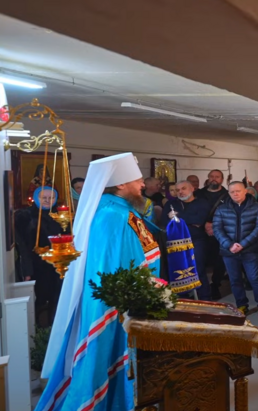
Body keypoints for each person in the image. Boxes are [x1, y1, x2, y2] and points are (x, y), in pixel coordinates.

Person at [37, 153, 162, 411]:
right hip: (116, 304)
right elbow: (110, 264)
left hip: (133, 296)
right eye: (137, 180)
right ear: (120, 185)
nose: (143, 185)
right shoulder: (110, 215)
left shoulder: (121, 210)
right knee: (107, 360)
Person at [213, 181, 258, 319]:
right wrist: (229, 244)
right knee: (235, 279)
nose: (235, 194)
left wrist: (243, 244)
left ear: (245, 191)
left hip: (250, 250)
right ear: (229, 193)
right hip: (229, 251)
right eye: (232, 192)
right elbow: (217, 228)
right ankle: (242, 305)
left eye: (238, 191)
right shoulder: (222, 209)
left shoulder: (256, 207)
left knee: (254, 278)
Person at [15, 187, 63, 325]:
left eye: (51, 198)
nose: (48, 201)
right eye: (44, 198)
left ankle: (52, 327)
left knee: (56, 297)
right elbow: (22, 244)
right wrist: (26, 269)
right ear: (36, 198)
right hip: (36, 265)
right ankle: (37, 330)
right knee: (38, 299)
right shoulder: (25, 216)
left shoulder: (61, 216)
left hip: (57, 265)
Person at [161, 181, 212, 300]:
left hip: (196, 241)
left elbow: (199, 220)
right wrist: (186, 221)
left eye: (183, 189)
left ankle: (205, 298)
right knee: (178, 269)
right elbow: (165, 221)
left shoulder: (202, 203)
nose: (180, 192)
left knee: (197, 268)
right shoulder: (171, 204)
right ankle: (182, 298)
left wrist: (176, 218)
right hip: (175, 242)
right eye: (178, 190)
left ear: (192, 189)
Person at [195, 169, 229, 300]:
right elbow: (194, 210)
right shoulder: (198, 194)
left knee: (219, 260)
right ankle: (203, 287)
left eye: (217, 177)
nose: (214, 179)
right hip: (201, 232)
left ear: (222, 179)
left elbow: (229, 213)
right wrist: (204, 224)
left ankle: (216, 284)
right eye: (211, 176)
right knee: (201, 259)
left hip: (220, 232)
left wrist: (215, 226)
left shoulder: (227, 195)